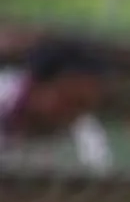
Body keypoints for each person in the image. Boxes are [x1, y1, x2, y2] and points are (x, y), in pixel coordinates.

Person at [0, 39, 115, 169]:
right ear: (33, 85)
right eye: (69, 101)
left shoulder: (88, 142)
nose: (75, 114)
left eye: (84, 106)